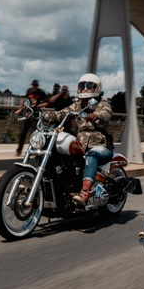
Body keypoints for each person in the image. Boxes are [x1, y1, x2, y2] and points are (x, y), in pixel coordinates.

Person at [47, 73, 113, 209]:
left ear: (97, 88)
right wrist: (42, 114)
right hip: (82, 145)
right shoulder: (77, 105)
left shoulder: (103, 104)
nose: (85, 89)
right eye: (82, 86)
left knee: (91, 155)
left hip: (101, 147)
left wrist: (96, 116)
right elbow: (61, 113)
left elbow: (105, 116)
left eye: (89, 86)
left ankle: (85, 192)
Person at [14, 80, 47, 157]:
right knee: (23, 132)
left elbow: (46, 102)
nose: (34, 88)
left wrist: (40, 106)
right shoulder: (29, 91)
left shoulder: (41, 93)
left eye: (35, 86)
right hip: (27, 113)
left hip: (35, 114)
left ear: (37, 86)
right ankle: (19, 150)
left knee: (34, 134)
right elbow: (23, 100)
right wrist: (20, 109)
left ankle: (33, 149)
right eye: (33, 86)